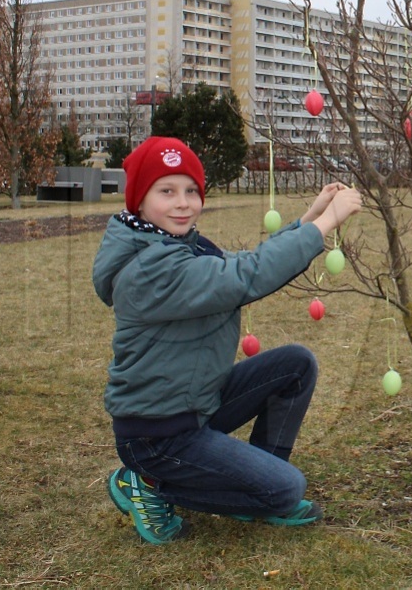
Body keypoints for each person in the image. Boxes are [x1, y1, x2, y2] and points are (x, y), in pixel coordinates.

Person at [93, 136, 362, 544]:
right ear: (139, 201)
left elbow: (241, 263)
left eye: (191, 191)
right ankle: (146, 482)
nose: (182, 203)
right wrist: (326, 226)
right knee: (287, 489)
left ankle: (255, 486)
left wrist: (309, 219)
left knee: (295, 364)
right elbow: (243, 278)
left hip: (193, 404)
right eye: (166, 191)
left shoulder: (178, 244)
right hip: (158, 433)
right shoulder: (150, 268)